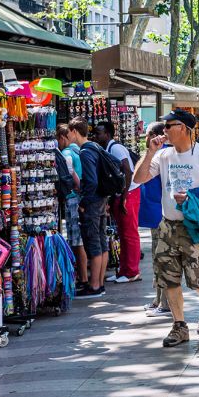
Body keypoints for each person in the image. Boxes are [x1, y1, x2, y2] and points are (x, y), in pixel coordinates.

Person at [131, 109, 199, 347]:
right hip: (167, 226)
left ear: (183, 128)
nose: (164, 131)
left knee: (198, 280)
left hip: (193, 227)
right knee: (169, 279)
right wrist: (149, 151)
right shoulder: (163, 156)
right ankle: (179, 326)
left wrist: (193, 200)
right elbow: (138, 179)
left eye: (168, 126)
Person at [94, 120, 141, 284]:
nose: (96, 135)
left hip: (129, 193)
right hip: (122, 193)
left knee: (130, 234)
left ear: (107, 134)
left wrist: (125, 196)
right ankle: (123, 270)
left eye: (98, 132)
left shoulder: (116, 148)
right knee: (122, 234)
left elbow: (128, 171)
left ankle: (132, 271)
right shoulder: (108, 148)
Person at [69, 119, 110, 298]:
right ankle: (99, 283)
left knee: (93, 243)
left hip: (93, 202)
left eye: (69, 132)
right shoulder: (95, 147)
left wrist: (84, 202)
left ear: (75, 131)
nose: (68, 135)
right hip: (101, 199)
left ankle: (94, 286)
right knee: (101, 242)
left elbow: (91, 180)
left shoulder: (85, 152)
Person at [138, 122, 171, 317]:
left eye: (148, 134)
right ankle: (159, 298)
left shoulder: (163, 154)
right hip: (154, 213)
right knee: (156, 257)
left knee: (162, 257)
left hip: (161, 213)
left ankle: (165, 302)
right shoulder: (154, 154)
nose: (145, 138)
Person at [55, 125, 86, 288]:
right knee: (80, 238)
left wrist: (78, 188)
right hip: (81, 197)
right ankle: (84, 276)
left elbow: (72, 175)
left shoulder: (66, 153)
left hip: (73, 198)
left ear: (62, 138)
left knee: (76, 240)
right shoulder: (78, 150)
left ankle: (83, 278)